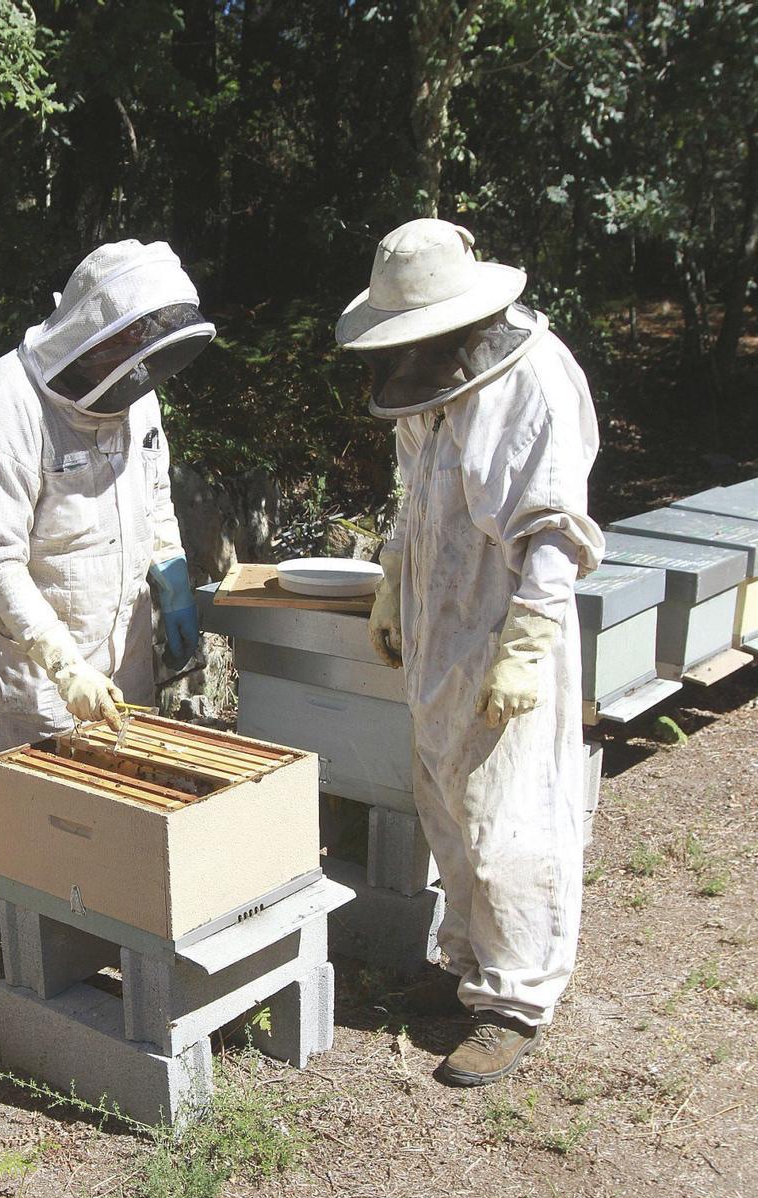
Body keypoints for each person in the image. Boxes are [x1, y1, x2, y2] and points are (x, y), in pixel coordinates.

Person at [337, 219, 604, 1085]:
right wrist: (391, 577)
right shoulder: (433, 381)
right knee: (448, 804)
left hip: (503, 625)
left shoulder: (536, 383)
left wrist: (527, 644)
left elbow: (556, 532)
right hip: (438, 622)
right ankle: (469, 970)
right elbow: (418, 498)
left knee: (508, 816)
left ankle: (517, 999)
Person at [0, 239, 214, 753]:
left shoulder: (135, 390)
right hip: (46, 686)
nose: (138, 363)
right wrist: (64, 665)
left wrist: (173, 575)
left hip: (129, 657)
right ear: (96, 336)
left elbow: (155, 495)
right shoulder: (4, 407)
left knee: (126, 818)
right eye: (128, 344)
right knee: (52, 825)